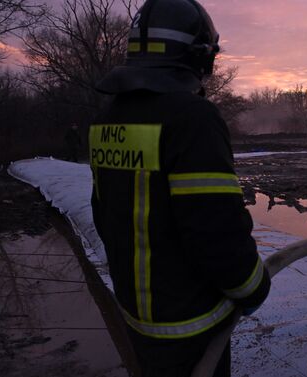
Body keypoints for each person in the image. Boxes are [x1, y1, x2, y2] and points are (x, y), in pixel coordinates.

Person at [89, 1, 270, 376]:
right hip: (191, 326)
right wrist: (253, 287)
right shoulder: (192, 119)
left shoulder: (109, 119)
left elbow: (104, 214)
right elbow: (216, 230)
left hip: (139, 318)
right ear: (199, 56)